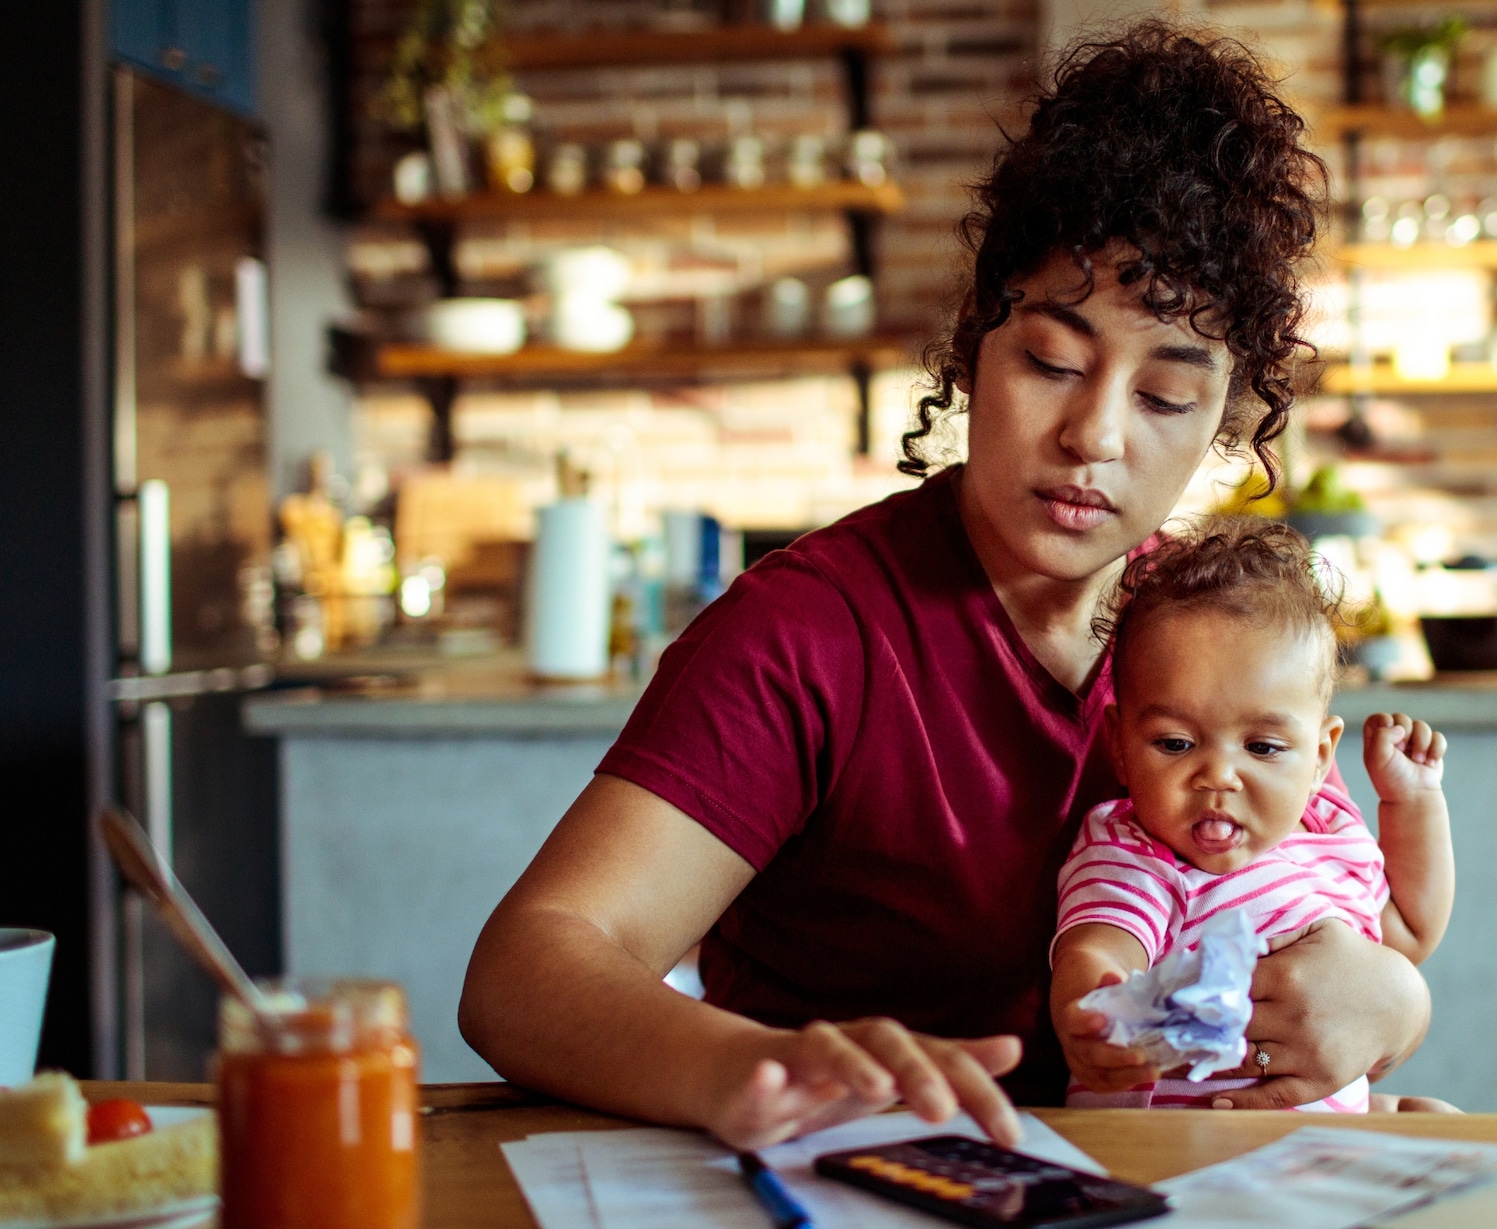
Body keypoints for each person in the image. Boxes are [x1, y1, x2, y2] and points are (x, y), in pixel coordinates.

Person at [458, 22, 1434, 1152]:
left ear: (1224, 420)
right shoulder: (810, 632)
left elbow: (1329, 914)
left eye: (1166, 397)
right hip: (856, 1178)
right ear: (974, 345)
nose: (1092, 435)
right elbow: (525, 969)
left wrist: (1391, 1005)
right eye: (1051, 363)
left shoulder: (1216, 636)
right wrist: (746, 1063)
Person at [1048, 519, 1453, 1112]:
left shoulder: (1327, 832)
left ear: (1319, 757)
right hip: (1181, 1146)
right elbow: (1101, 946)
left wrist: (1412, 804)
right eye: (1176, 743)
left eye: (1262, 748)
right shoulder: (1137, 853)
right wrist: (1093, 1007)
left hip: (1313, 1145)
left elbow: (1410, 934)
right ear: (1120, 747)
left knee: (1435, 1120)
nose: (1219, 776)